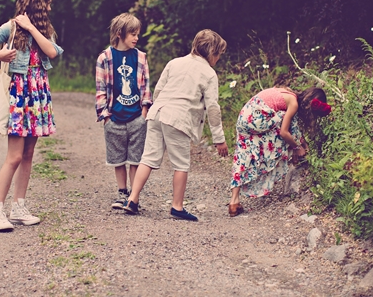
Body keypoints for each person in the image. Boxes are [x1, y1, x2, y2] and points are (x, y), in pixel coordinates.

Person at [0, 0, 63, 230]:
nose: (49, 7)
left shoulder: (44, 30)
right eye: (46, 2)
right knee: (13, 156)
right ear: (36, 2)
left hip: (38, 97)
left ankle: (19, 207)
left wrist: (32, 28)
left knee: (28, 155)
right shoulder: (10, 28)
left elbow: (52, 52)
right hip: (19, 97)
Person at [122, 29, 230, 221]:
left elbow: (159, 90)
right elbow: (213, 108)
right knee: (181, 164)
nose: (218, 58)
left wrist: (158, 108)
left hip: (157, 113)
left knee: (148, 158)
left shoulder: (174, 62)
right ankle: (177, 206)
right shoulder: (209, 74)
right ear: (212, 52)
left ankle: (132, 199)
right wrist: (219, 139)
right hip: (178, 119)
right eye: (219, 54)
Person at [228, 86, 331, 217]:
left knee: (242, 155)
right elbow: (284, 132)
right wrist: (297, 147)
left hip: (244, 118)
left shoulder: (289, 93)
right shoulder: (293, 103)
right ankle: (296, 153)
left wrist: (301, 142)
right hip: (256, 118)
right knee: (286, 123)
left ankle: (234, 202)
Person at [95, 13, 152, 209]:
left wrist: (144, 114)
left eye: (138, 34)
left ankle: (133, 198)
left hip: (136, 116)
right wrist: (105, 117)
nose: (136, 38)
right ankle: (122, 192)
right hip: (114, 117)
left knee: (135, 159)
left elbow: (146, 86)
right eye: (132, 34)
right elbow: (100, 88)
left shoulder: (141, 57)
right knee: (118, 159)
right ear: (120, 33)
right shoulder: (105, 57)